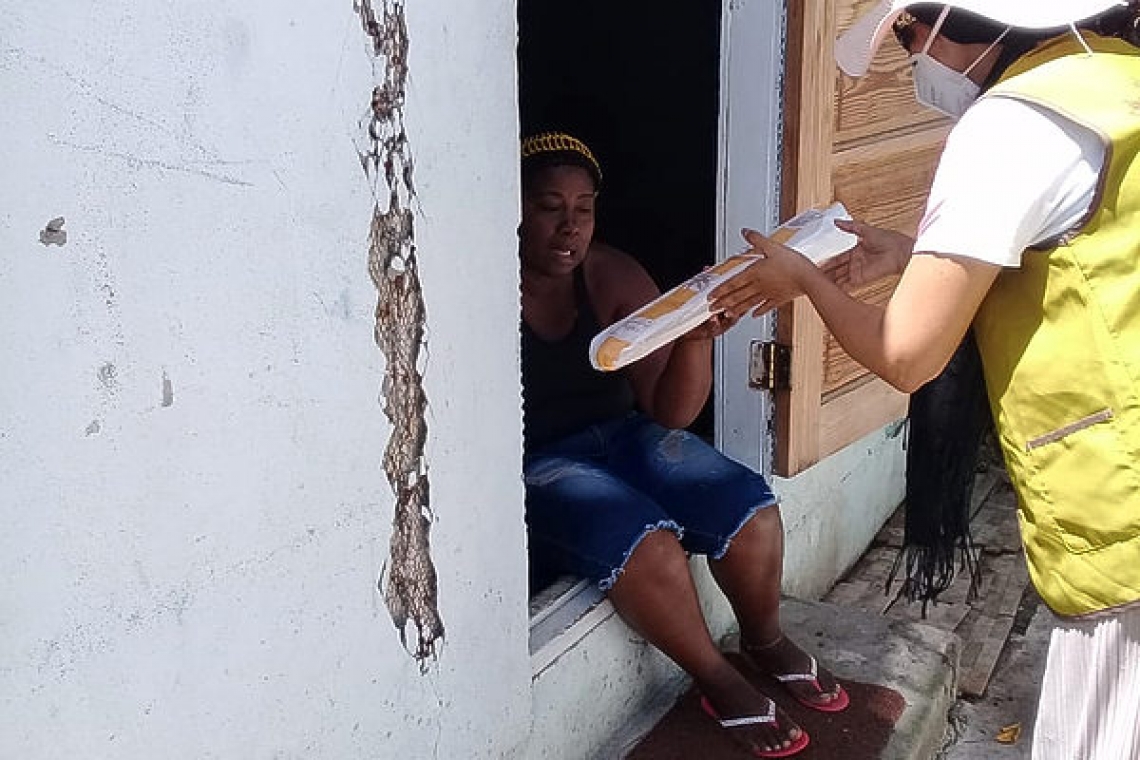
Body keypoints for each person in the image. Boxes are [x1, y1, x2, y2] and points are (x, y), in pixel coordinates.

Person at [710, 3, 1140, 757]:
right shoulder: (1112, 75)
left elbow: (906, 355)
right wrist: (915, 252)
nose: (912, 61)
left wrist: (805, 280)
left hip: (1122, 508)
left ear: (962, 18)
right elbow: (1079, 246)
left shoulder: (1011, 125)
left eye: (909, 36)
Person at [519, 131, 848, 758]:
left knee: (748, 507)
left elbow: (669, 412)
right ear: (514, 207)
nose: (569, 227)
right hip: (543, 461)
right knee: (644, 540)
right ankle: (716, 677)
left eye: (583, 208)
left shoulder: (612, 275)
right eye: (548, 207)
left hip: (626, 436)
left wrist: (695, 338)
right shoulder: (485, 289)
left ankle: (764, 639)